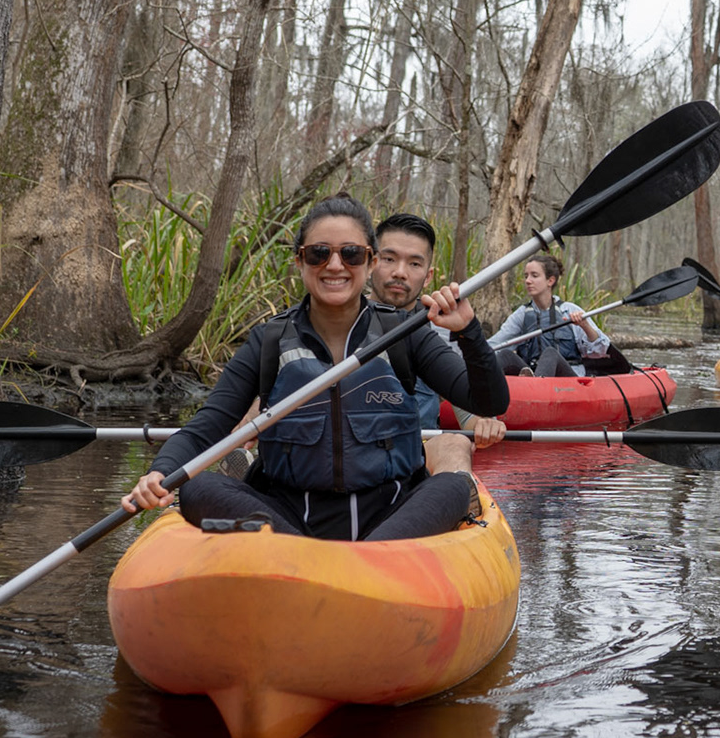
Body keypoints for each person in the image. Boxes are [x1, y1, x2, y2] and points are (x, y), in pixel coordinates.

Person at [122, 195, 508, 541]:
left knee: (452, 487)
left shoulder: (406, 334)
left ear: (370, 261)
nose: (335, 265)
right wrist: (160, 472)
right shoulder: (268, 341)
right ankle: (307, 558)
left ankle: (360, 562)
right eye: (318, 253)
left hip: (390, 515)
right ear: (299, 261)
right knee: (197, 487)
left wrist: (469, 332)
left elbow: (490, 401)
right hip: (289, 517)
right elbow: (206, 429)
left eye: (351, 254)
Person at [371, 211, 503, 454]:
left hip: (418, 453)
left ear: (428, 276)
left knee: (457, 444)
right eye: (389, 259)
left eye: (414, 264)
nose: (400, 272)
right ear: (371, 262)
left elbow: (472, 414)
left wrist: (484, 423)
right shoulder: (343, 320)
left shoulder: (442, 332)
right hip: (353, 453)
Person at [488, 254, 612, 377]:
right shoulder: (521, 315)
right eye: (526, 276)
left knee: (550, 354)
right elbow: (494, 346)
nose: (528, 281)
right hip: (533, 376)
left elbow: (600, 351)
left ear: (550, 281)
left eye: (534, 275)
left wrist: (585, 326)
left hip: (568, 380)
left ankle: (536, 385)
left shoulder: (569, 310)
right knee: (505, 355)